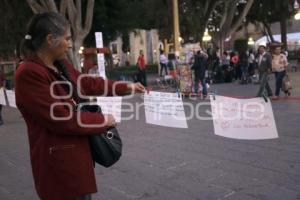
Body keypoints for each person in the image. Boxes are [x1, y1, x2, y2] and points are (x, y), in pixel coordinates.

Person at [14, 12, 145, 200]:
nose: (69, 44)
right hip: (58, 166)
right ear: (50, 39)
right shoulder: (29, 73)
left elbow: (86, 83)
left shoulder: (59, 64)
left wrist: (126, 87)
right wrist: (103, 120)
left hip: (76, 160)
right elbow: (61, 119)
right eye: (66, 39)